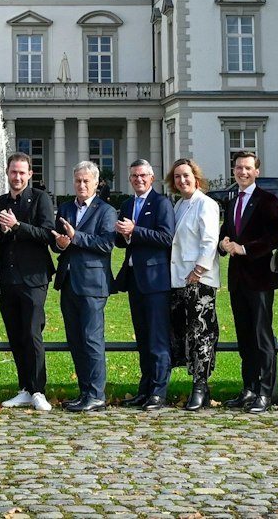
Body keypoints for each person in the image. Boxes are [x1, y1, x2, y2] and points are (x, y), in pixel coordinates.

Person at [216, 150, 278, 412]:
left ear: (256, 171)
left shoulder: (267, 200)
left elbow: (273, 238)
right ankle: (249, 388)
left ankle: (266, 392)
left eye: (247, 168)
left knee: (261, 336)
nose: (242, 172)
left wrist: (244, 249)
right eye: (238, 168)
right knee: (244, 337)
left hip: (260, 277)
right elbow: (227, 232)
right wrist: (223, 244)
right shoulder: (232, 201)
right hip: (237, 279)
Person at [0, 152, 56, 410]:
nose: (17, 176)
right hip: (6, 277)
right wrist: (3, 231)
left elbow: (47, 234)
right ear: (7, 173)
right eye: (13, 172)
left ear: (30, 174)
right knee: (15, 335)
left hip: (34, 277)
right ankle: (24, 388)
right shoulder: (0, 201)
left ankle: (38, 389)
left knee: (32, 333)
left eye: (22, 172)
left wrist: (18, 226)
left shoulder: (41, 199)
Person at [54, 160, 117, 412]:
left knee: (92, 339)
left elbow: (106, 244)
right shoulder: (66, 207)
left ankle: (97, 395)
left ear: (96, 183)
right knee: (75, 340)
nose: (81, 185)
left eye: (86, 181)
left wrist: (75, 237)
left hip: (93, 284)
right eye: (78, 181)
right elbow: (60, 241)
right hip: (68, 281)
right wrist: (60, 243)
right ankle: (84, 392)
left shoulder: (107, 211)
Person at [113, 158, 175, 409]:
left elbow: (166, 237)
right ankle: (145, 388)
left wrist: (134, 230)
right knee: (143, 338)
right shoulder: (127, 204)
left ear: (152, 178)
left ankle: (159, 391)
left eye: (143, 176)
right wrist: (123, 234)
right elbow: (120, 241)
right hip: (134, 279)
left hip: (156, 280)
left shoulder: (161, 203)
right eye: (134, 176)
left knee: (158, 338)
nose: (138, 180)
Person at [165, 158, 220, 411]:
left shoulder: (206, 204)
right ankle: (199, 386)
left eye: (186, 175)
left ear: (196, 177)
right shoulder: (179, 205)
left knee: (202, 334)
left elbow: (210, 240)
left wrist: (198, 270)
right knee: (187, 333)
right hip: (180, 278)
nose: (182, 180)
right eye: (177, 177)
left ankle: (200, 385)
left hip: (199, 279)